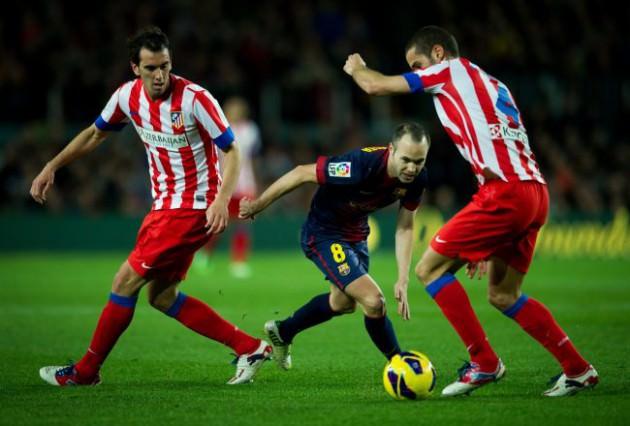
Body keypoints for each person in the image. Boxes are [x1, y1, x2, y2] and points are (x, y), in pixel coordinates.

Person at [343, 25, 598, 397]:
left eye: (417, 65)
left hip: (505, 193)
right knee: (503, 294)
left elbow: (375, 86)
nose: (417, 73)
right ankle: (577, 369)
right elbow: (495, 146)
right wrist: (486, 240)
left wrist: (356, 69)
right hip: (533, 192)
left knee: (428, 269)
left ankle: (484, 362)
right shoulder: (494, 85)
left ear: (438, 53)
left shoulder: (449, 71)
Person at [30, 26, 271, 387]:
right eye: (151, 68)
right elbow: (95, 134)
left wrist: (222, 200)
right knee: (161, 297)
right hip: (165, 208)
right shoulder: (127, 97)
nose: (160, 75)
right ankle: (249, 347)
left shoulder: (195, 99)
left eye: (165, 66)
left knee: (124, 281)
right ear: (135, 68)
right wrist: (52, 165)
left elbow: (232, 150)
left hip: (190, 209)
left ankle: (86, 372)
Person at [239, 122, 430, 369]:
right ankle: (400, 364)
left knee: (342, 304)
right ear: (391, 149)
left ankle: (283, 331)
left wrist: (402, 279)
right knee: (374, 302)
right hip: (324, 232)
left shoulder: (417, 179)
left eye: (419, 161)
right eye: (406, 160)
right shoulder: (360, 165)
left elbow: (405, 227)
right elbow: (301, 173)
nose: (412, 168)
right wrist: (258, 205)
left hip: (356, 233)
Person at [197, 96, 261, 278]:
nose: (236, 112)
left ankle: (239, 261)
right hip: (222, 184)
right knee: (216, 223)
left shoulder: (251, 130)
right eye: (232, 109)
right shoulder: (218, 127)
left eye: (238, 109)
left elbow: (254, 158)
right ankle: (205, 255)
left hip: (244, 183)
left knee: (242, 224)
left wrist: (256, 181)